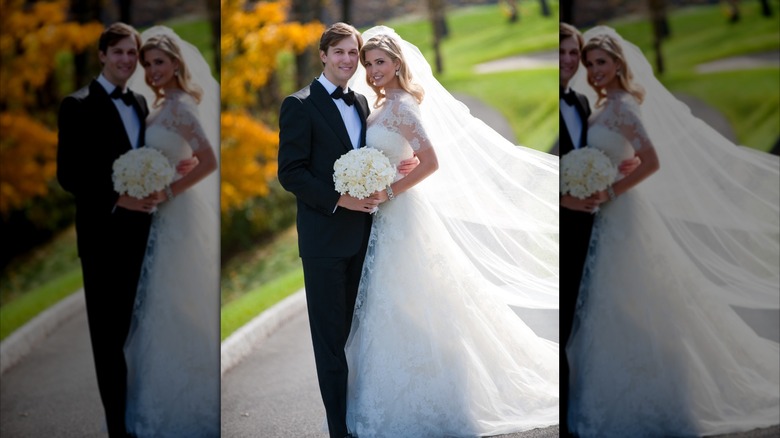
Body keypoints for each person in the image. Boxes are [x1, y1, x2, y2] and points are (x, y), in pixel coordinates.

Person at [342, 26, 560, 437]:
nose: (372, 71)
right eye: (368, 64)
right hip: (382, 220)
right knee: (390, 307)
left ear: (397, 63)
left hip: (402, 215)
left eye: (380, 62)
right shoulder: (379, 106)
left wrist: (389, 189)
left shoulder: (404, 107)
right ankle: (392, 397)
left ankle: (444, 397)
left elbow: (430, 162)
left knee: (414, 302)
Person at [566, 26, 780, 437]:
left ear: (618, 64)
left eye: (601, 62)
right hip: (602, 217)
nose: (594, 70)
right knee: (609, 304)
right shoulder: (602, 105)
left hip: (622, 214)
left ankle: (663, 393)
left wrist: (610, 189)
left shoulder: (624, 106)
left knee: (632, 301)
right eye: (590, 64)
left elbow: (650, 161)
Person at [277, 22, 417, 438]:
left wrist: (398, 168)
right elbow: (291, 173)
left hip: (368, 238)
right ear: (323, 56)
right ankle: (340, 429)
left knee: (363, 336)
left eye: (353, 53)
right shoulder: (298, 104)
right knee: (331, 342)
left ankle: (363, 417)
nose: (347, 60)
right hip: (323, 243)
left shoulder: (361, 102)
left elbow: (371, 159)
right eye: (338, 52)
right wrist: (340, 200)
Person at [56, 22, 157, 438]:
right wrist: (118, 198)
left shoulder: (140, 103)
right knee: (109, 340)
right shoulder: (76, 105)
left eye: (132, 53)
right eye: (118, 52)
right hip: (102, 242)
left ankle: (143, 416)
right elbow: (69, 174)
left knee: (142, 334)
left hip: (145, 238)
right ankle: (118, 428)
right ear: (102, 55)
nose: (126, 60)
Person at [120, 26, 220, 437]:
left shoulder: (182, 107)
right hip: (156, 217)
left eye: (158, 62)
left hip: (178, 215)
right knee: (157, 306)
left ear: (176, 63)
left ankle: (187, 404)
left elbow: (208, 160)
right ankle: (158, 395)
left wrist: (168, 190)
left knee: (176, 303)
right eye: (147, 64)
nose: (152, 70)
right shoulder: (157, 106)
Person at [557, 22, 639, 437]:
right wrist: (563, 200)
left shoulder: (583, 103)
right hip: (565, 223)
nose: (569, 61)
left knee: (580, 318)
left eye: (575, 53)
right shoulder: (580, 104)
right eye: (562, 52)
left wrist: (615, 173)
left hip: (590, 226)